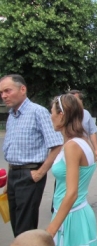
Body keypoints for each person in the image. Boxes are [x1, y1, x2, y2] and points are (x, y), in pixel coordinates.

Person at [0, 74, 63, 237]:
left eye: (7, 90)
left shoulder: (38, 112)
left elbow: (57, 144)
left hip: (30, 175)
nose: (4, 95)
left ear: (23, 89)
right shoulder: (12, 116)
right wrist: (9, 179)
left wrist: (40, 173)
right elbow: (13, 150)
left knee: (25, 225)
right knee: (15, 221)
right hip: (14, 175)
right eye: (1, 92)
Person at [47, 94, 97, 246]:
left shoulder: (72, 146)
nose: (50, 116)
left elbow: (71, 193)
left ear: (61, 114)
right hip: (77, 213)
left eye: (52, 112)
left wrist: (51, 230)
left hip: (70, 216)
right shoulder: (82, 140)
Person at [69, 90, 97, 161]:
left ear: (81, 101)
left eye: (75, 99)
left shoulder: (86, 114)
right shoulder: (63, 115)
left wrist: (96, 150)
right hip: (68, 150)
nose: (73, 102)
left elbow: (92, 133)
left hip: (84, 150)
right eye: (70, 100)